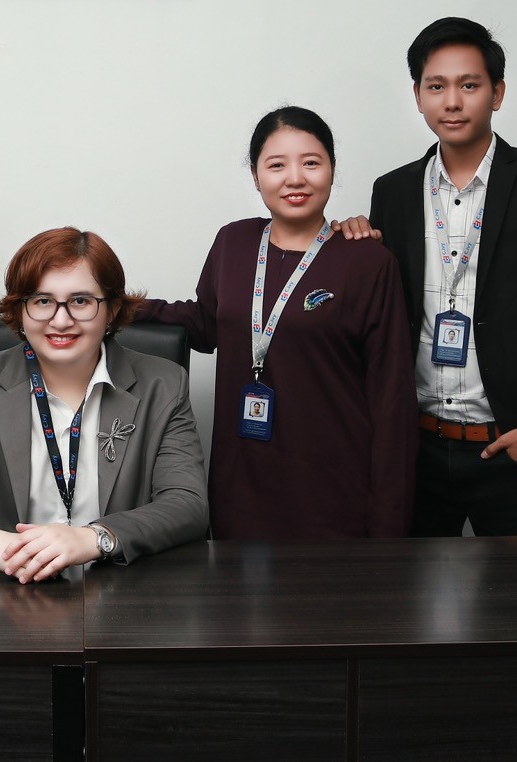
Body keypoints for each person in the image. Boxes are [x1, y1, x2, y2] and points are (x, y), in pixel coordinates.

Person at [363, 17, 517, 536]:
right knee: (409, 589)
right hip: (416, 451)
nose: (452, 102)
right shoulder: (393, 191)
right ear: (417, 95)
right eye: (436, 86)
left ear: (497, 93)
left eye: (469, 85)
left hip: (511, 447)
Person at [139, 107, 418, 540]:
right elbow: (206, 324)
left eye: (311, 162)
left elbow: (392, 400)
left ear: (332, 170)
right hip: (241, 482)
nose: (295, 178)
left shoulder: (368, 261)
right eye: (276, 165)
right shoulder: (233, 241)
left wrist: (388, 525)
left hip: (334, 489)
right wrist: (113, 307)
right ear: (255, 176)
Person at [0, 228, 209, 581]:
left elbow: (187, 505)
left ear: (111, 310)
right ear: (20, 310)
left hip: (121, 593)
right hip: (10, 592)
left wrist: (96, 538)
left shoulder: (163, 384)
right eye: (43, 301)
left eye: (81, 301)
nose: (61, 321)